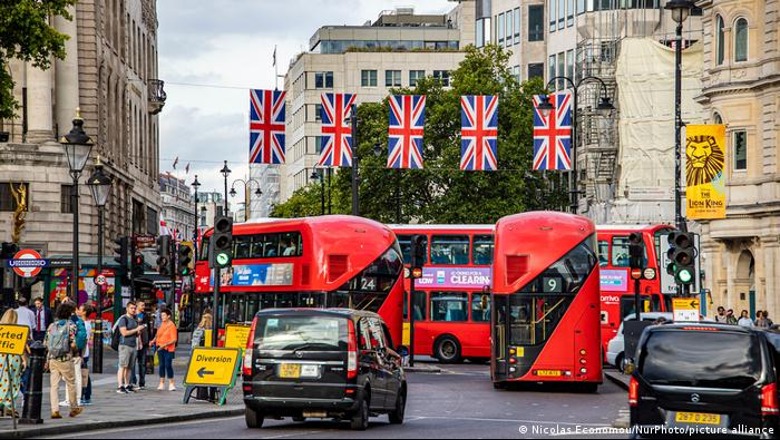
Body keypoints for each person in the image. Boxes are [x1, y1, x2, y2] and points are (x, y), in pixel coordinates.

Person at [45, 302, 82, 418]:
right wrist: (76, 352)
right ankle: (74, 408)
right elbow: (72, 343)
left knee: (54, 386)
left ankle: (54, 410)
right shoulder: (71, 325)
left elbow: (46, 343)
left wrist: (47, 360)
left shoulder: (52, 326)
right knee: (71, 383)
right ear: (69, 313)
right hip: (65, 358)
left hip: (52, 359)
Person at [116, 302, 145, 394]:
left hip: (133, 345)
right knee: (122, 366)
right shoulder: (123, 319)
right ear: (127, 309)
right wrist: (137, 329)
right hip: (125, 345)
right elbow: (124, 333)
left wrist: (138, 334)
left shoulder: (135, 319)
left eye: (134, 308)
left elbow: (135, 333)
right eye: (131, 308)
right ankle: (120, 386)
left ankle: (127, 384)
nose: (133, 310)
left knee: (129, 367)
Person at [0, 309, 25, 417]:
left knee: (2, 381)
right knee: (13, 383)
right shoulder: (17, 330)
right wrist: (24, 360)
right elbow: (21, 347)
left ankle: (1, 405)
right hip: (14, 358)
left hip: (1, 357)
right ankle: (10, 406)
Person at [152, 308, 178, 391]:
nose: (162, 317)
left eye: (163, 315)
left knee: (168, 365)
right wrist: (153, 341)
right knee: (161, 365)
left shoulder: (171, 325)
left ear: (168, 316)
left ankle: (171, 383)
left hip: (168, 348)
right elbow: (158, 334)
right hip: (160, 347)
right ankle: (161, 382)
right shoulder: (161, 324)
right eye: (161, 315)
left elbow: (174, 339)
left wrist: (165, 345)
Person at [77, 304, 93, 406]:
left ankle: (85, 395)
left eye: (80, 310)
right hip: (84, 352)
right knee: (84, 374)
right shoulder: (84, 323)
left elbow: (84, 340)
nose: (78, 311)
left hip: (83, 353)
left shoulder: (85, 324)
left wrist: (81, 355)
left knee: (83, 375)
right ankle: (86, 395)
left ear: (84, 312)